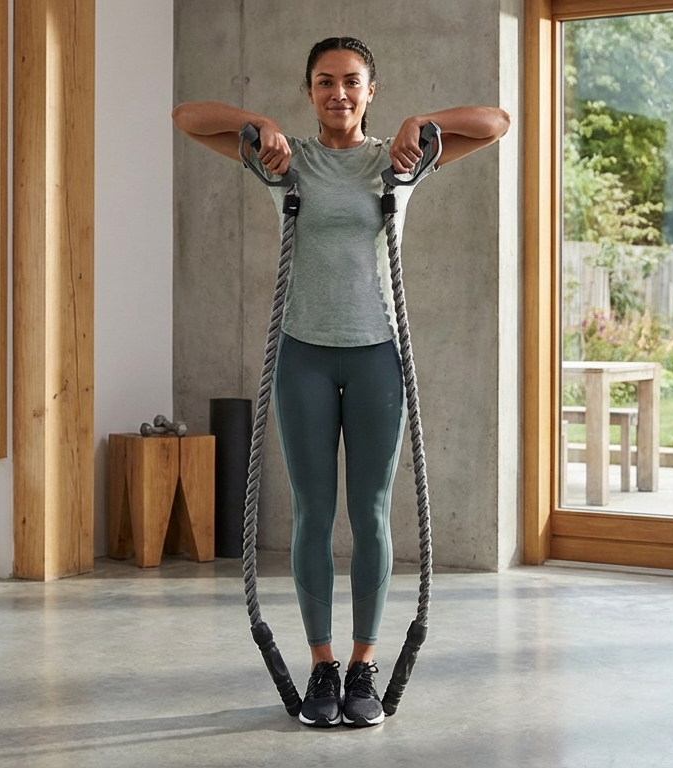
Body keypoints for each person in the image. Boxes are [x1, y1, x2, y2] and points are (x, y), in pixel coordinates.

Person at [172, 36, 509, 728]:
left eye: (352, 82)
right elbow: (186, 117)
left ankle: (363, 664)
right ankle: (321, 666)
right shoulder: (284, 161)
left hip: (379, 355)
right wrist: (255, 124)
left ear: (370, 91)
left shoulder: (401, 161)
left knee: (373, 512)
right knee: (313, 514)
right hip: (303, 358)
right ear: (309, 92)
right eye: (325, 82)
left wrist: (425, 122)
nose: (338, 94)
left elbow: (497, 121)